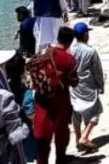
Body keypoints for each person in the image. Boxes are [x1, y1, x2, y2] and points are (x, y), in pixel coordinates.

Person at [31, 27, 79, 164]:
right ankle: (61, 159)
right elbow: (74, 82)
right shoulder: (69, 59)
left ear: (58, 37)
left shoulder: (43, 52)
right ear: (70, 42)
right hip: (60, 102)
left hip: (41, 101)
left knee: (43, 141)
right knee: (61, 133)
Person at [69, 23, 105, 153]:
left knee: (76, 113)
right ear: (85, 35)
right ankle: (84, 137)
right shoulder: (90, 51)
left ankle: (78, 138)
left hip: (74, 85)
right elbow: (97, 70)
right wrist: (101, 84)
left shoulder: (70, 50)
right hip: (88, 85)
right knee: (95, 111)